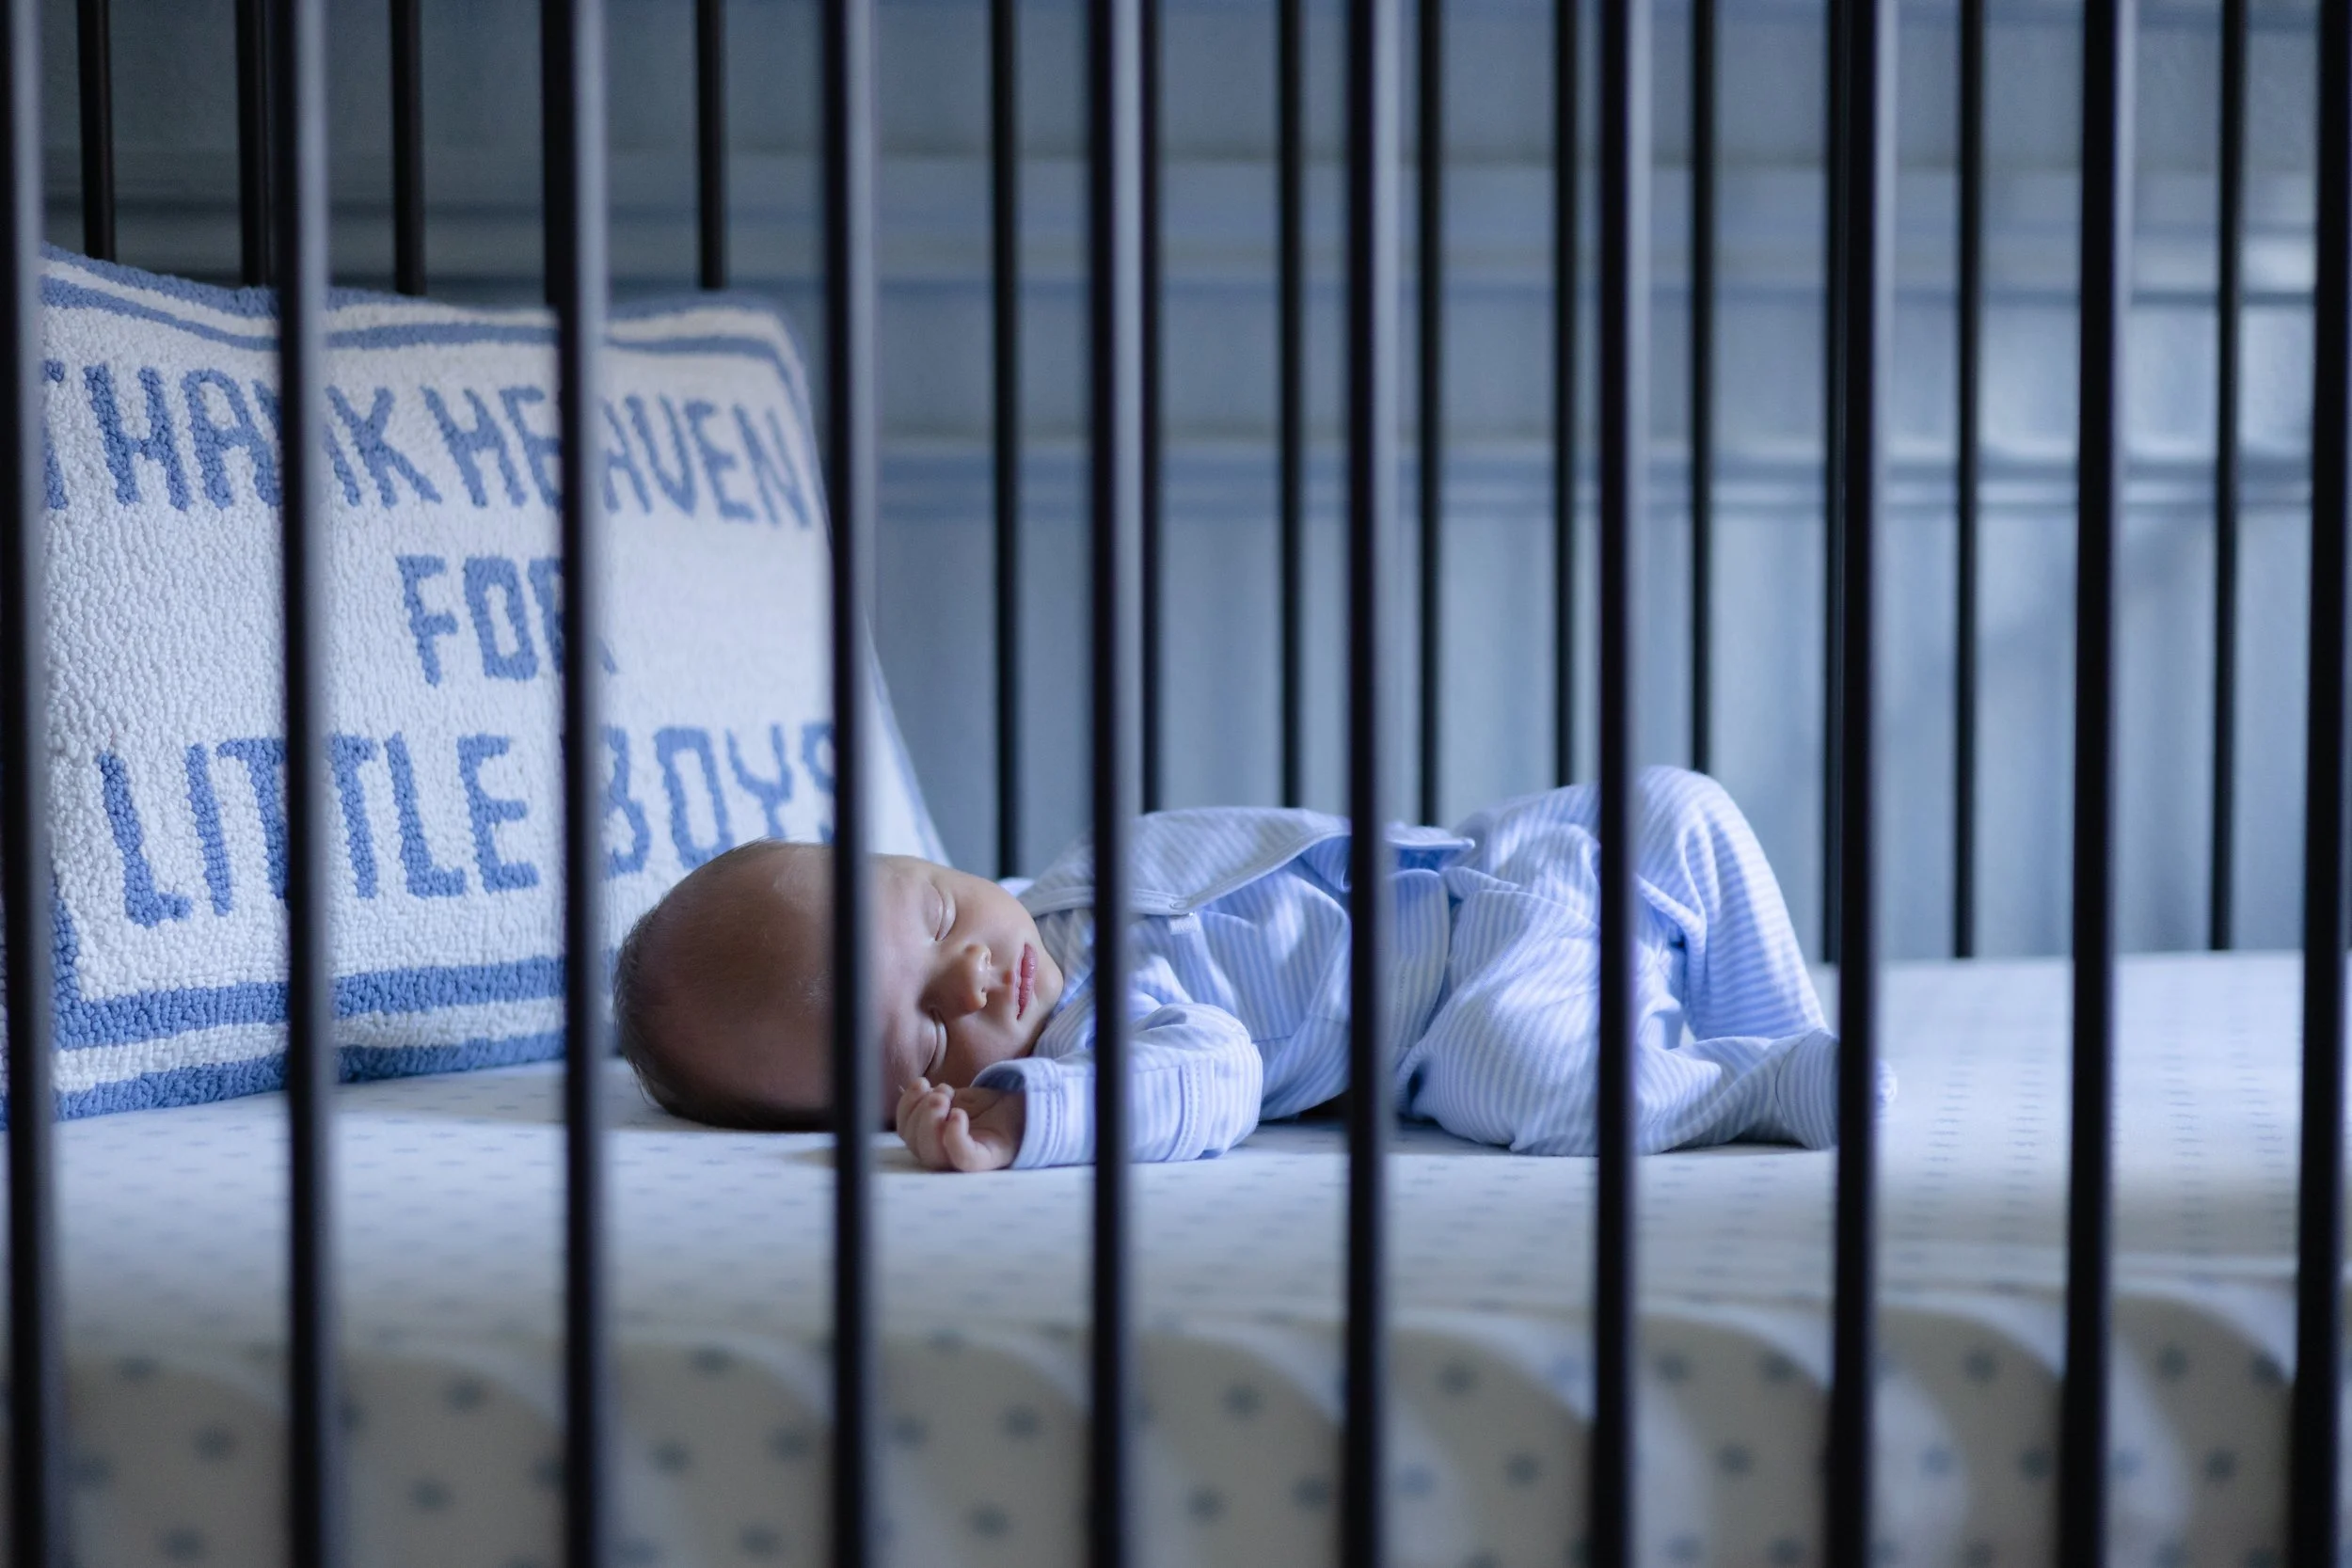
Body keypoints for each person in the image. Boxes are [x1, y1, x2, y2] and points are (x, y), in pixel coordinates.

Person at [612, 767, 1886, 1170]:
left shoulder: (1075, 877)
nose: (975, 981)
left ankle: (1780, 1020)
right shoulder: (1100, 1035)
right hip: (1464, 1007)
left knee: (1679, 803)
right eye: (930, 1037)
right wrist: (1026, 1120)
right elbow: (1213, 1078)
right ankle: (1762, 1080)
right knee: (1531, 1075)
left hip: (1505, 859)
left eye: (939, 912)